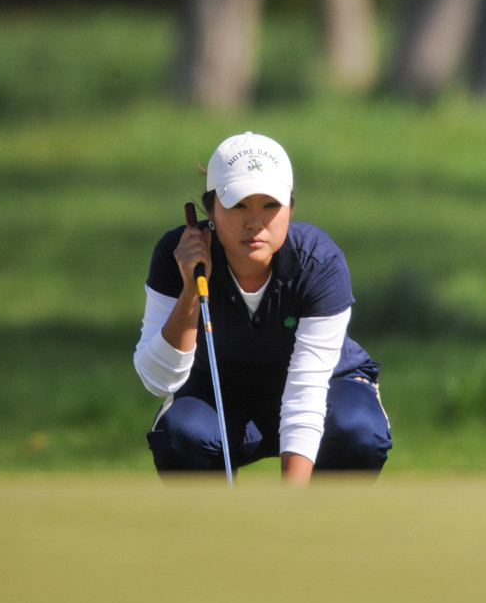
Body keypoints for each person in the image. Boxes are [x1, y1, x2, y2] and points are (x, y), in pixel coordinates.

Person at [134, 131, 392, 484]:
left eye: (270, 205)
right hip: (220, 395)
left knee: (358, 431)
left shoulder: (318, 261)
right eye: (238, 205)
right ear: (210, 210)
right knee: (182, 433)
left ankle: (323, 536)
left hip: (327, 389)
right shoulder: (175, 255)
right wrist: (191, 291)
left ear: (290, 207)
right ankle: (215, 538)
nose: (255, 221)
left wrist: (287, 515)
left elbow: (306, 393)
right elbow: (159, 379)